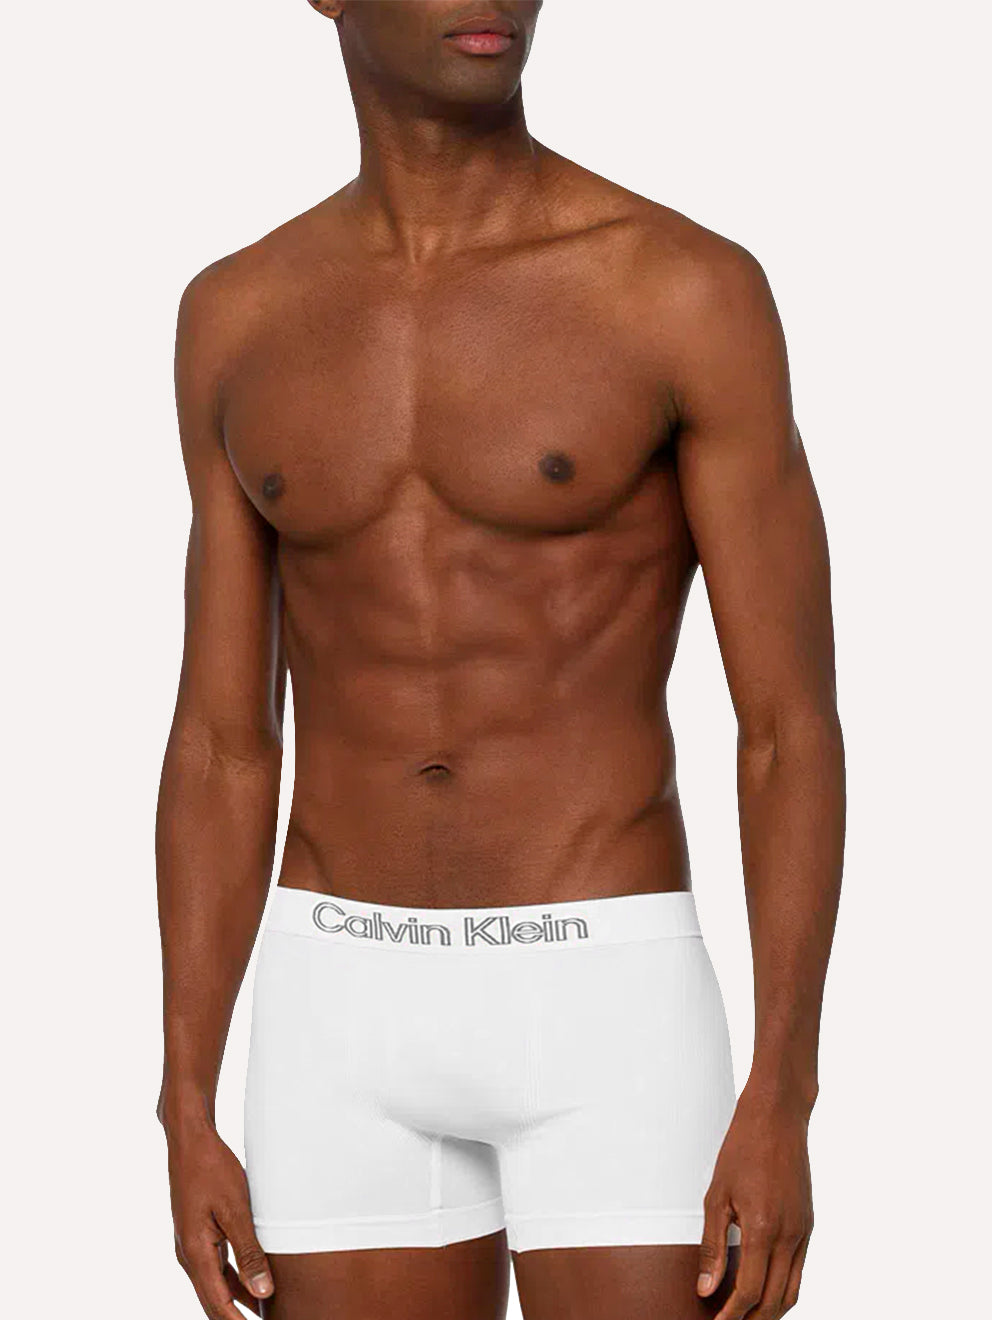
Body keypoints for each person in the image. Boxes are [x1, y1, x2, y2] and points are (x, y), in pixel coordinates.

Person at [155, 3, 845, 1317]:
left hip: (607, 994)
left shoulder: (678, 289)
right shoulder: (239, 315)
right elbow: (223, 741)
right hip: (334, 1001)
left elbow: (787, 727)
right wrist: (185, 1099)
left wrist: (783, 1091)